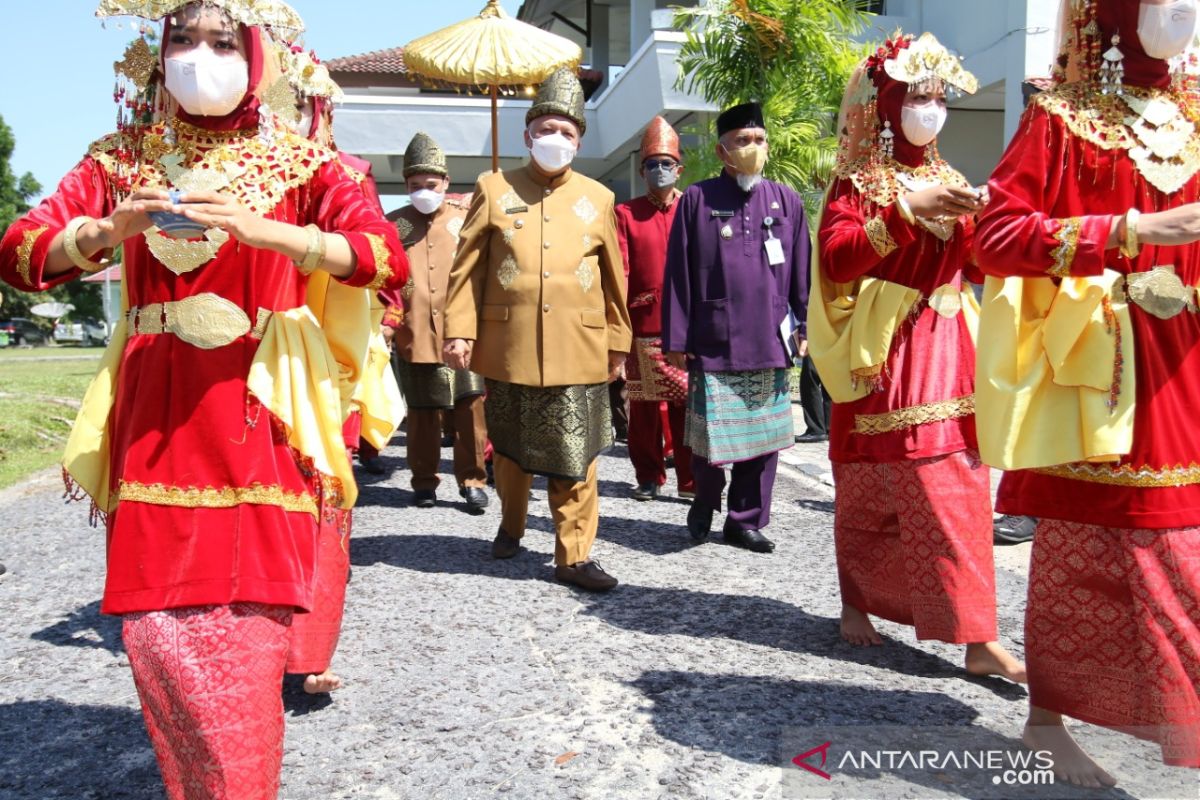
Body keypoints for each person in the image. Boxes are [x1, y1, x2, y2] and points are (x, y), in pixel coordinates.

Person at [0, 2, 406, 796]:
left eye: (222, 41)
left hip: (260, 417)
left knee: (245, 637)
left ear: (260, 56)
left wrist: (277, 236)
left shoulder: (305, 163)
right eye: (180, 39)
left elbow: (381, 258)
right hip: (157, 418)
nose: (197, 56)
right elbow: (17, 254)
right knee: (156, 634)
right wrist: (103, 232)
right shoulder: (120, 160)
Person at [974, 0, 1200, 785]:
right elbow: (995, 235)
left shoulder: (1195, 115)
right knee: (1088, 550)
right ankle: (1046, 723)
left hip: (1189, 367)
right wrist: (1129, 234)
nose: (1185, 9)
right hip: (1099, 371)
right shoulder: (1063, 119)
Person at [809, 32, 1025, 685]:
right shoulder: (857, 180)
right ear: (888, 102)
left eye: (938, 97)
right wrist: (903, 214)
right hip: (882, 354)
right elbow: (836, 260)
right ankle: (858, 598)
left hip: (949, 347)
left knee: (955, 488)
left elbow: (976, 263)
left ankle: (976, 635)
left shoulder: (949, 176)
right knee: (870, 490)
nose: (931, 108)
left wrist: (988, 221)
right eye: (917, 96)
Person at [443, 67, 632, 591]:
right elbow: (467, 268)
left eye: (566, 133)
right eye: (546, 130)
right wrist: (459, 329)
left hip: (580, 347)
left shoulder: (598, 197)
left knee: (577, 453)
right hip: (509, 347)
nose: (556, 140)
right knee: (510, 449)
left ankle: (574, 556)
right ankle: (511, 524)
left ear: (579, 141)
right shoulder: (493, 187)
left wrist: (618, 342)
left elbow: (615, 278)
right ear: (528, 136)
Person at [282, 48, 406, 696]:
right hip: (244, 364)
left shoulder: (345, 176)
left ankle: (308, 649)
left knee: (323, 503)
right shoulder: (239, 178)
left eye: (302, 103)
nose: (290, 114)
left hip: (328, 369)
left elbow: (379, 260)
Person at [662, 101, 808, 553]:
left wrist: (803, 325)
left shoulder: (787, 201)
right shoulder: (697, 199)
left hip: (770, 337)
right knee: (710, 434)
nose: (753, 148)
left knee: (765, 439)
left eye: (759, 140)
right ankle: (705, 500)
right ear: (723, 151)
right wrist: (676, 337)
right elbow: (679, 273)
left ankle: (745, 520)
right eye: (743, 141)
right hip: (714, 338)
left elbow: (802, 269)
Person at [392, 132, 489, 512]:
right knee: (421, 414)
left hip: (462, 334)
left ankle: (472, 480)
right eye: (415, 186)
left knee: (468, 409)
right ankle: (423, 482)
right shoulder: (392, 225)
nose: (422, 192)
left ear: (446, 183)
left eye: (430, 185)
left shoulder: (466, 223)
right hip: (413, 332)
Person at [615, 116, 694, 502]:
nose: (659, 171)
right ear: (641, 169)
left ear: (679, 169)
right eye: (651, 164)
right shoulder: (625, 214)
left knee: (687, 404)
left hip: (687, 325)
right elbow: (621, 269)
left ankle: (691, 478)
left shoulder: (693, 208)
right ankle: (648, 475)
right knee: (644, 409)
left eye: (666, 163)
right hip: (642, 322)